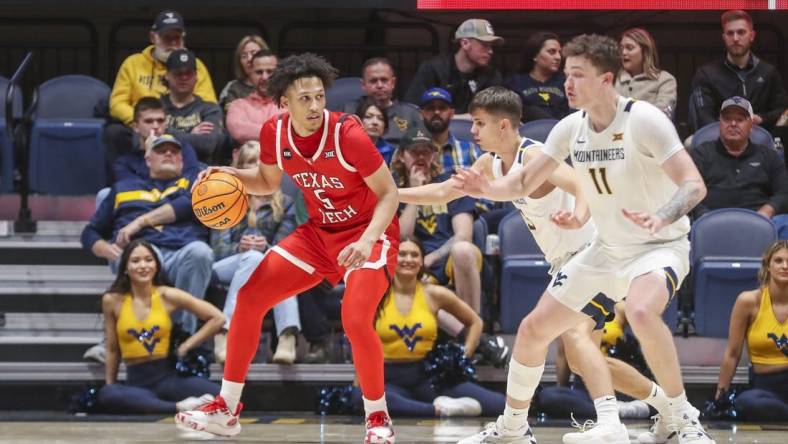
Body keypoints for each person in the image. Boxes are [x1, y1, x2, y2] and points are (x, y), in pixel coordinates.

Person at [453, 35, 715, 443]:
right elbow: (522, 180)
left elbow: (694, 186)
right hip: (604, 249)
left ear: (606, 79)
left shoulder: (644, 119)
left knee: (643, 314)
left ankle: (683, 418)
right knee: (532, 330)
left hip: (658, 245)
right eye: (566, 75)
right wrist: (484, 188)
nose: (568, 84)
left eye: (578, 75)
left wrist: (660, 215)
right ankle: (512, 430)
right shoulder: (569, 127)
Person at [175, 53, 400, 443]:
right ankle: (227, 409)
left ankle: (378, 419)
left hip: (371, 232)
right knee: (248, 297)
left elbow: (389, 194)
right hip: (319, 232)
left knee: (355, 318)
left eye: (319, 97)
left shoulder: (348, 134)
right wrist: (229, 175)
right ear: (284, 103)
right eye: (304, 99)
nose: (314, 106)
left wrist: (366, 241)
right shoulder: (274, 133)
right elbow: (266, 182)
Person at [350, 235, 506, 417]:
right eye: (402, 254)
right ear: (392, 257)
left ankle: (421, 408)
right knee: (359, 399)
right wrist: (358, 380)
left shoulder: (434, 294)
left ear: (421, 261)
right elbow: (360, 341)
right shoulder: (375, 295)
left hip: (426, 377)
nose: (408, 260)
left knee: (497, 405)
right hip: (387, 378)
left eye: (414, 255)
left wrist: (466, 354)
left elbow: (475, 322)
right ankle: (439, 410)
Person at [82, 134, 214, 337]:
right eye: (161, 150)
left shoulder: (195, 185)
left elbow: (189, 205)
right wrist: (108, 250)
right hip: (141, 249)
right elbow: (90, 232)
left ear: (182, 159)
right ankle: (135, 335)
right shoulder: (123, 188)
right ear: (147, 159)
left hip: (182, 251)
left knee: (201, 252)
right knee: (143, 255)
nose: (169, 154)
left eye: (174, 151)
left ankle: (181, 333)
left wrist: (139, 222)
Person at [98, 239, 223, 414]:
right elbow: (112, 349)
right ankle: (179, 407)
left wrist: (186, 346)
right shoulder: (112, 300)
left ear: (157, 265)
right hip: (136, 382)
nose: (143, 266)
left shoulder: (167, 295)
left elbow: (217, 318)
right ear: (125, 267)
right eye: (136, 261)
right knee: (107, 394)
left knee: (222, 396)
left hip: (168, 379)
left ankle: (158, 405)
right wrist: (110, 384)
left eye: (149, 260)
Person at [210, 141, 300, 364]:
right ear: (240, 168)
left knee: (274, 261)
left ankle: (285, 338)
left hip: (267, 266)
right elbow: (218, 249)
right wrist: (240, 247)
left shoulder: (287, 204)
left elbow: (286, 246)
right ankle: (228, 332)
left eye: (263, 161)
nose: (258, 166)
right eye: (251, 161)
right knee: (252, 257)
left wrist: (265, 247)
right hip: (226, 266)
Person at [105, 10, 216, 166]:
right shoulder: (132, 63)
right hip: (139, 126)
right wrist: (145, 124)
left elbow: (208, 104)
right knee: (114, 132)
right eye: (167, 38)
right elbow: (116, 104)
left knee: (212, 138)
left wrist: (170, 128)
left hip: (184, 126)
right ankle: (121, 184)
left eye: (176, 38)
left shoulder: (195, 66)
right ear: (153, 38)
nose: (172, 43)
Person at [393, 126, 481, 316]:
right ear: (401, 156)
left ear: (434, 156)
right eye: (415, 151)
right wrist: (416, 192)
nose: (421, 157)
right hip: (411, 259)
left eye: (426, 151)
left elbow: (464, 235)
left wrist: (433, 258)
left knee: (463, 250)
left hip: (448, 257)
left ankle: (473, 328)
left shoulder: (451, 185)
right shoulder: (395, 191)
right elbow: (401, 237)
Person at [716, 240, 788, 421]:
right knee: (746, 402)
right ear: (768, 265)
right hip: (765, 388)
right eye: (778, 261)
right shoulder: (748, 301)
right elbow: (732, 353)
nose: (785, 266)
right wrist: (720, 395)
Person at [690, 96, 788, 219]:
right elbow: (689, 193)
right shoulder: (701, 154)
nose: (733, 124)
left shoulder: (769, 156)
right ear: (720, 122)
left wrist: (767, 211)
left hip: (760, 221)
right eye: (727, 119)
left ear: (751, 125)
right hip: (712, 221)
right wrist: (704, 216)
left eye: (740, 119)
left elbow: (784, 192)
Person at [690, 9, 788, 131]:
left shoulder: (768, 72)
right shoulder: (706, 74)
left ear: (752, 36)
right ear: (724, 37)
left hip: (760, 136)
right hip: (718, 139)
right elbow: (704, 117)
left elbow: (782, 110)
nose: (735, 38)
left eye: (741, 32)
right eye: (730, 33)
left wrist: (762, 119)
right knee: (691, 143)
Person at [405, 19, 504, 115]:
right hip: (434, 130)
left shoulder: (491, 75)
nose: (491, 51)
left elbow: (493, 115)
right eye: (484, 45)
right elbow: (413, 110)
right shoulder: (433, 69)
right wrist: (462, 119)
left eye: (491, 46)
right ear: (465, 43)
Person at [162, 49, 224, 163]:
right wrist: (191, 134)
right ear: (167, 75)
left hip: (200, 171)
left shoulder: (210, 109)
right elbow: (143, 138)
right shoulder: (156, 106)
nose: (184, 77)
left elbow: (207, 145)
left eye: (188, 73)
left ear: (196, 76)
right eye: (178, 73)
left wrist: (165, 132)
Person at [343, 57, 421, 147]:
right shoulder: (349, 110)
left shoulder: (410, 113)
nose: (379, 85)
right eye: (373, 81)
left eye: (384, 80)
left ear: (393, 83)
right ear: (363, 85)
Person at [505, 32, 570, 122]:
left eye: (559, 52)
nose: (558, 57)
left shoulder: (567, 82)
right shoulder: (515, 83)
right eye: (552, 52)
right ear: (535, 56)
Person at [615, 28, 677, 119]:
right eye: (621, 48)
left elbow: (662, 116)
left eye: (629, 48)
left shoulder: (665, 80)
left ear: (645, 51)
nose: (623, 52)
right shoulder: (612, 78)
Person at [226, 49, 283, 146]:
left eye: (270, 72)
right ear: (250, 74)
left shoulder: (290, 105)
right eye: (259, 72)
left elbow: (295, 134)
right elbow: (238, 132)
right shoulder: (238, 105)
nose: (265, 77)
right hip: (248, 160)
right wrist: (277, 132)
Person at [419, 87, 481, 173]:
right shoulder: (411, 152)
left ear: (452, 114)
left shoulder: (470, 150)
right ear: (421, 114)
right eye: (430, 108)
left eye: (442, 108)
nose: (436, 112)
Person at [219, 35, 269, 112]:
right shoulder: (233, 87)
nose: (249, 59)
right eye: (244, 56)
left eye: (254, 53)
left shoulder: (278, 86)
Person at [356, 97, 395, 165]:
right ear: (358, 121)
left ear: (385, 126)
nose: (375, 122)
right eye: (368, 117)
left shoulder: (391, 153)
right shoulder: (344, 149)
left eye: (380, 118)